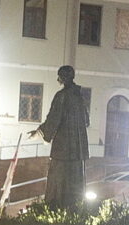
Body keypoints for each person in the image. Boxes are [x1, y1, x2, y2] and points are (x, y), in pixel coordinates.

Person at [30, 65, 90, 209]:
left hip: (63, 149)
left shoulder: (61, 96)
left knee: (58, 181)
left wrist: (39, 132)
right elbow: (87, 121)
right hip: (78, 150)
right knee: (76, 182)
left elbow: (53, 119)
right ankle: (75, 210)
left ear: (62, 78)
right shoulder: (80, 97)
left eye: (59, 77)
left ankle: (55, 209)